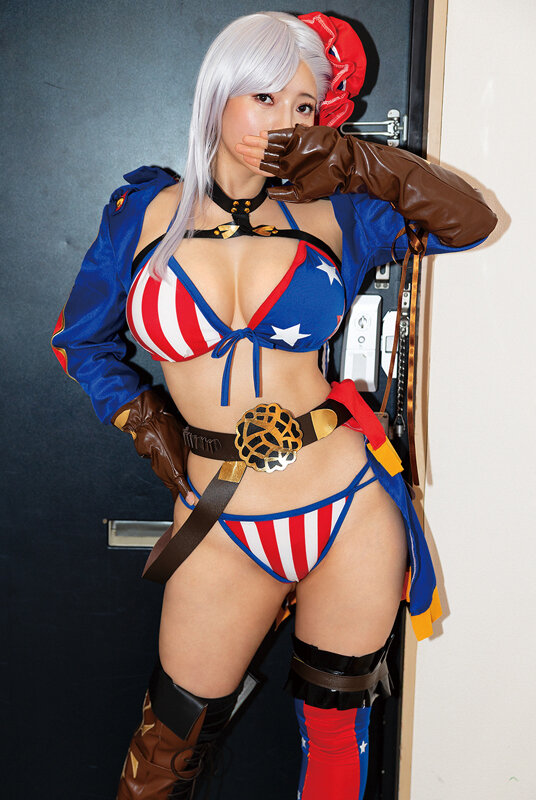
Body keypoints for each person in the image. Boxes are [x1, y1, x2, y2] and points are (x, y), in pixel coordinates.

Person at [51, 10, 497, 800]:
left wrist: (358, 159)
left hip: (347, 505)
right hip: (221, 521)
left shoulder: (341, 209)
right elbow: (78, 341)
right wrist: (142, 420)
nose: (283, 122)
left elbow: (471, 223)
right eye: (264, 97)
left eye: (304, 105)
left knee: (336, 741)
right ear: (218, 93)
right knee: (165, 751)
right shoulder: (145, 213)